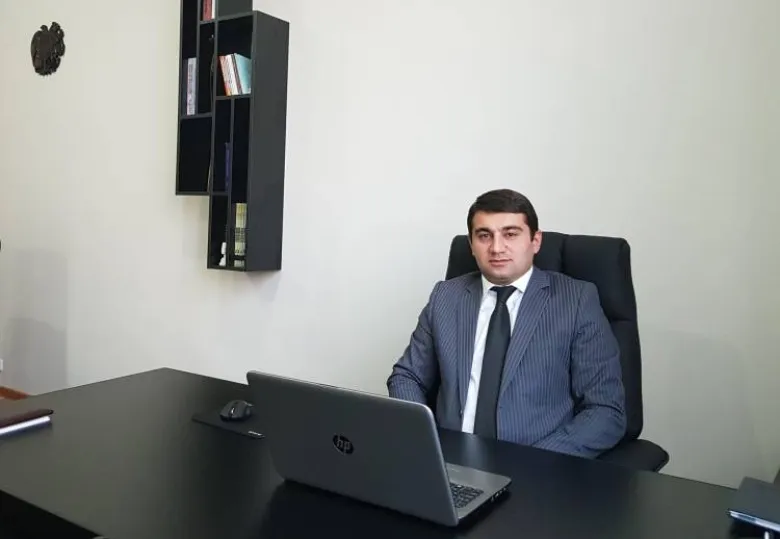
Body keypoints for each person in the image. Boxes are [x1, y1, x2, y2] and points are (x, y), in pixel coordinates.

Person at [387, 189, 626, 458]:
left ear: (535, 241)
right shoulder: (446, 296)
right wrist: (424, 441)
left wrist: (538, 461)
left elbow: (606, 411)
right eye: (484, 235)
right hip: (449, 461)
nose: (497, 248)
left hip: (535, 464)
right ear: (471, 244)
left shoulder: (577, 300)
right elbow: (407, 376)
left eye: (510, 234)